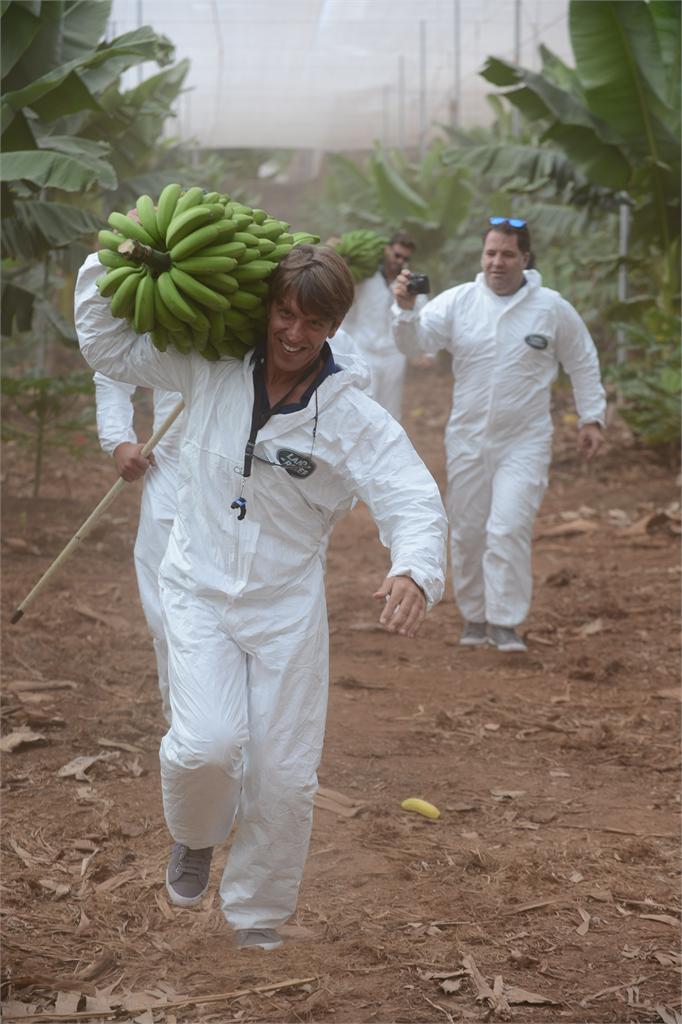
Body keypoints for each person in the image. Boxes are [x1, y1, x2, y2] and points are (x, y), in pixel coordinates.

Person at [75, 243, 448, 951]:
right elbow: (109, 347)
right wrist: (108, 265)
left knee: (282, 774)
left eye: (315, 322)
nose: (295, 334)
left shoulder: (349, 412)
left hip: (284, 606)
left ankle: (256, 917)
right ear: (267, 308)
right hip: (196, 587)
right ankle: (194, 834)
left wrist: (414, 569)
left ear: (336, 325)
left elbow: (411, 494)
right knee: (205, 748)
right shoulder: (208, 366)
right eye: (285, 314)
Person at [392, 217, 606, 653]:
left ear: (525, 259)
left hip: (524, 441)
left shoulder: (551, 308)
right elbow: (414, 345)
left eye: (508, 254)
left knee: (508, 527)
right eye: (491, 253)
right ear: (482, 256)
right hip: (468, 440)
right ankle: (474, 617)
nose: (497, 262)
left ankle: (505, 622)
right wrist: (405, 309)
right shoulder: (459, 302)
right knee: (468, 530)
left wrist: (592, 418)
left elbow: (582, 360)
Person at [93, 374, 182, 724]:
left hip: (248, 495)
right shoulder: (167, 323)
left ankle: (253, 760)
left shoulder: (280, 325)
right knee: (169, 623)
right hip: (172, 488)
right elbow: (112, 367)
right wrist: (119, 441)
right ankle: (186, 741)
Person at [340, 231, 426, 421]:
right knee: (361, 405)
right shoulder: (364, 278)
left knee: (390, 411)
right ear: (387, 250)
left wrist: (426, 353)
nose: (400, 261)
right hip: (363, 351)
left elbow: (422, 314)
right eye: (397, 255)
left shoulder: (408, 283)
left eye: (405, 258)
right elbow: (348, 312)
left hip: (394, 354)